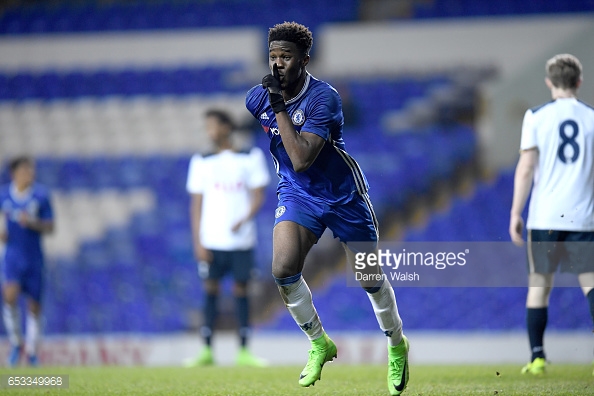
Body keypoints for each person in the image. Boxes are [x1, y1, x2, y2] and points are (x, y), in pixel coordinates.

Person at [245, 22, 409, 395]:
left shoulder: (325, 98)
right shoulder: (256, 97)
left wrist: (278, 106)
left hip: (343, 197)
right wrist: (271, 104)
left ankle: (397, 344)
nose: (277, 64)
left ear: (304, 60)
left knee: (369, 278)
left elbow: (301, 157)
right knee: (283, 268)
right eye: (272, 57)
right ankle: (320, 343)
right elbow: (289, 164)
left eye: (285, 57)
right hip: (298, 195)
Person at [509, 53, 594, 375]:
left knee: (539, 286)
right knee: (591, 284)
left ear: (549, 82)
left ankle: (537, 357)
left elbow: (526, 168)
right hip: (584, 215)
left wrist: (516, 212)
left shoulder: (536, 116)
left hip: (544, 216)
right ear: (579, 81)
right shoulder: (591, 118)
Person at [184, 109, 270, 367]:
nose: (209, 132)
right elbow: (196, 205)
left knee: (241, 291)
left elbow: (259, 196)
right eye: (207, 127)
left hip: (241, 240)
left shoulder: (250, 157)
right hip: (212, 240)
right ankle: (207, 350)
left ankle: (244, 351)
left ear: (226, 127)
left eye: (213, 126)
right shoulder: (201, 161)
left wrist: (244, 218)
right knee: (210, 291)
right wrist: (198, 241)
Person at [0, 156, 54, 367]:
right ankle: (16, 343)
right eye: (25, 171)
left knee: (35, 305)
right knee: (9, 296)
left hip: (34, 257)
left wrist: (32, 223)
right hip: (12, 255)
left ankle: (32, 351)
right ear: (15, 174)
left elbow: (50, 226)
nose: (30, 175)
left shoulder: (41, 196)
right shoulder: (4, 195)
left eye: (31, 171)